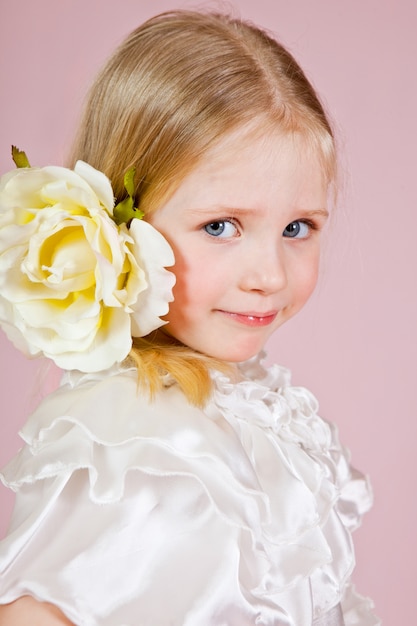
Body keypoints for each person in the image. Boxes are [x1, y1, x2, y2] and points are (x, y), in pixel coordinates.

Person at [0, 9, 380, 626]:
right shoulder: (130, 437)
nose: (271, 275)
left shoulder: (243, 402)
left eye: (297, 228)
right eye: (220, 227)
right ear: (122, 227)